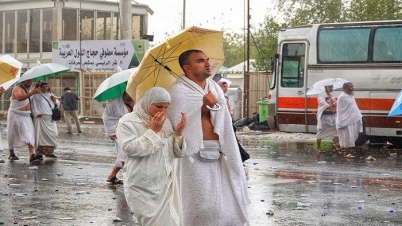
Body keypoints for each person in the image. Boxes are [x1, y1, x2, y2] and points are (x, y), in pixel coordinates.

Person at [169, 49, 250, 225]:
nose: (207, 63)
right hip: (192, 156)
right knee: (200, 205)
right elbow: (177, 126)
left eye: (207, 59)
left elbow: (224, 121)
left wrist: (211, 104)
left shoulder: (214, 88)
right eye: (200, 61)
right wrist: (204, 107)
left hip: (219, 153)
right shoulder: (178, 91)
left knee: (223, 205)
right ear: (187, 68)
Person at [115, 87, 187, 226]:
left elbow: (178, 153)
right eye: (158, 106)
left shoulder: (165, 122)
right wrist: (153, 131)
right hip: (143, 186)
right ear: (146, 102)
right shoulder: (127, 122)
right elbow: (130, 149)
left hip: (166, 184)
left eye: (166, 107)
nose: (162, 111)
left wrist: (178, 134)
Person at [103, 92, 134, 184]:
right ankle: (128, 178)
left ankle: (112, 175)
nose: (131, 100)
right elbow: (126, 118)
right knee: (125, 154)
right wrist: (110, 132)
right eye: (129, 99)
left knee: (123, 154)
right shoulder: (116, 104)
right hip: (116, 130)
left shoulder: (128, 101)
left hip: (123, 129)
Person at [7, 78, 40, 161]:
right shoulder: (17, 88)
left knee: (30, 133)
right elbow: (19, 98)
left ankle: (32, 155)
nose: (29, 82)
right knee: (13, 133)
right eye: (27, 80)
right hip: (15, 114)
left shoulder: (30, 89)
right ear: (22, 81)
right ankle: (11, 153)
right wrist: (32, 92)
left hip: (26, 115)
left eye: (30, 81)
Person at [30, 81, 59, 161]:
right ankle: (39, 153)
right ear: (39, 88)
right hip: (41, 118)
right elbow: (33, 105)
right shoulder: (36, 95)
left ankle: (49, 152)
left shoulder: (50, 94)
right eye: (42, 87)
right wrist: (36, 113)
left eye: (46, 86)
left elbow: (57, 105)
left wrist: (55, 100)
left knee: (53, 134)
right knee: (40, 136)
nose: (44, 88)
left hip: (50, 118)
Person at [336, 82, 363, 157]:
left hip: (351, 119)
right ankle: (347, 153)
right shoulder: (342, 97)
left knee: (352, 135)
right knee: (346, 136)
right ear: (345, 88)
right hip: (344, 120)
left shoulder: (350, 96)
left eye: (352, 86)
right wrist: (345, 118)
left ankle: (337, 145)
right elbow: (341, 110)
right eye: (351, 86)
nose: (352, 88)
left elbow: (353, 107)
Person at [316, 85, 339, 154]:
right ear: (325, 87)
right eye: (330, 87)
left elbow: (335, 102)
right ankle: (318, 148)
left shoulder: (331, 95)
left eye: (332, 87)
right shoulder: (321, 94)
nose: (331, 88)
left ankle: (336, 147)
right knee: (320, 131)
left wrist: (333, 103)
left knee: (335, 130)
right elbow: (321, 102)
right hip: (324, 116)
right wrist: (329, 106)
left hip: (332, 116)